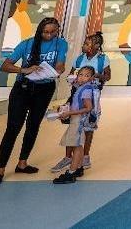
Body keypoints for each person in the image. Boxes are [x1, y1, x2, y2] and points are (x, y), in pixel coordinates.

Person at [0, 17, 68, 186]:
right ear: (40, 31)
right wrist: (25, 69)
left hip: (45, 89)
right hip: (23, 88)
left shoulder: (61, 43)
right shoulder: (26, 44)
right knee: (13, 128)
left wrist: (57, 71)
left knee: (33, 126)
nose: (49, 35)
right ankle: (0, 169)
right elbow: (5, 65)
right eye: (46, 32)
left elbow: (61, 65)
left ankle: (22, 162)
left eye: (53, 32)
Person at [52, 32, 110, 173]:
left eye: (87, 44)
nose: (83, 46)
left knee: (89, 126)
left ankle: (85, 156)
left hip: (92, 95)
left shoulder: (102, 59)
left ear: (96, 46)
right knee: (74, 124)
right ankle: (68, 157)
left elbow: (107, 76)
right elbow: (72, 74)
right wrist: (73, 79)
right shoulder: (79, 59)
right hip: (77, 95)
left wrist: (96, 75)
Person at [52, 66, 98, 184]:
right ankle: (78, 168)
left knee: (76, 145)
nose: (82, 78)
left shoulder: (86, 90)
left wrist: (69, 112)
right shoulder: (80, 88)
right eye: (81, 75)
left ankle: (71, 173)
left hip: (78, 121)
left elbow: (88, 108)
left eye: (87, 76)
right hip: (75, 120)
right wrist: (65, 110)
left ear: (92, 78)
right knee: (77, 145)